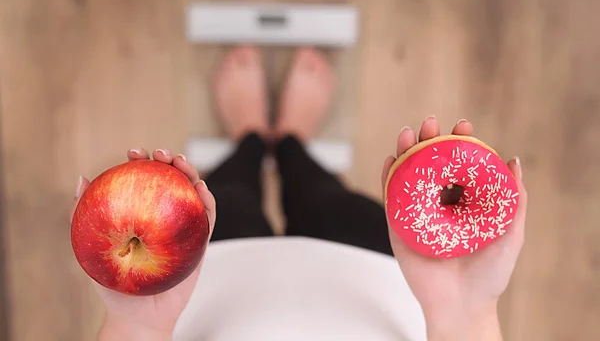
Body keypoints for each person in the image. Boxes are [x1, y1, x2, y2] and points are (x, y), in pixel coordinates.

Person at [71, 47, 528, 341]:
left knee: (230, 194)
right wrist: (464, 313)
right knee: (328, 200)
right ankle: (291, 140)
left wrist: (139, 325)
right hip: (375, 278)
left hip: (203, 287)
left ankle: (251, 137)